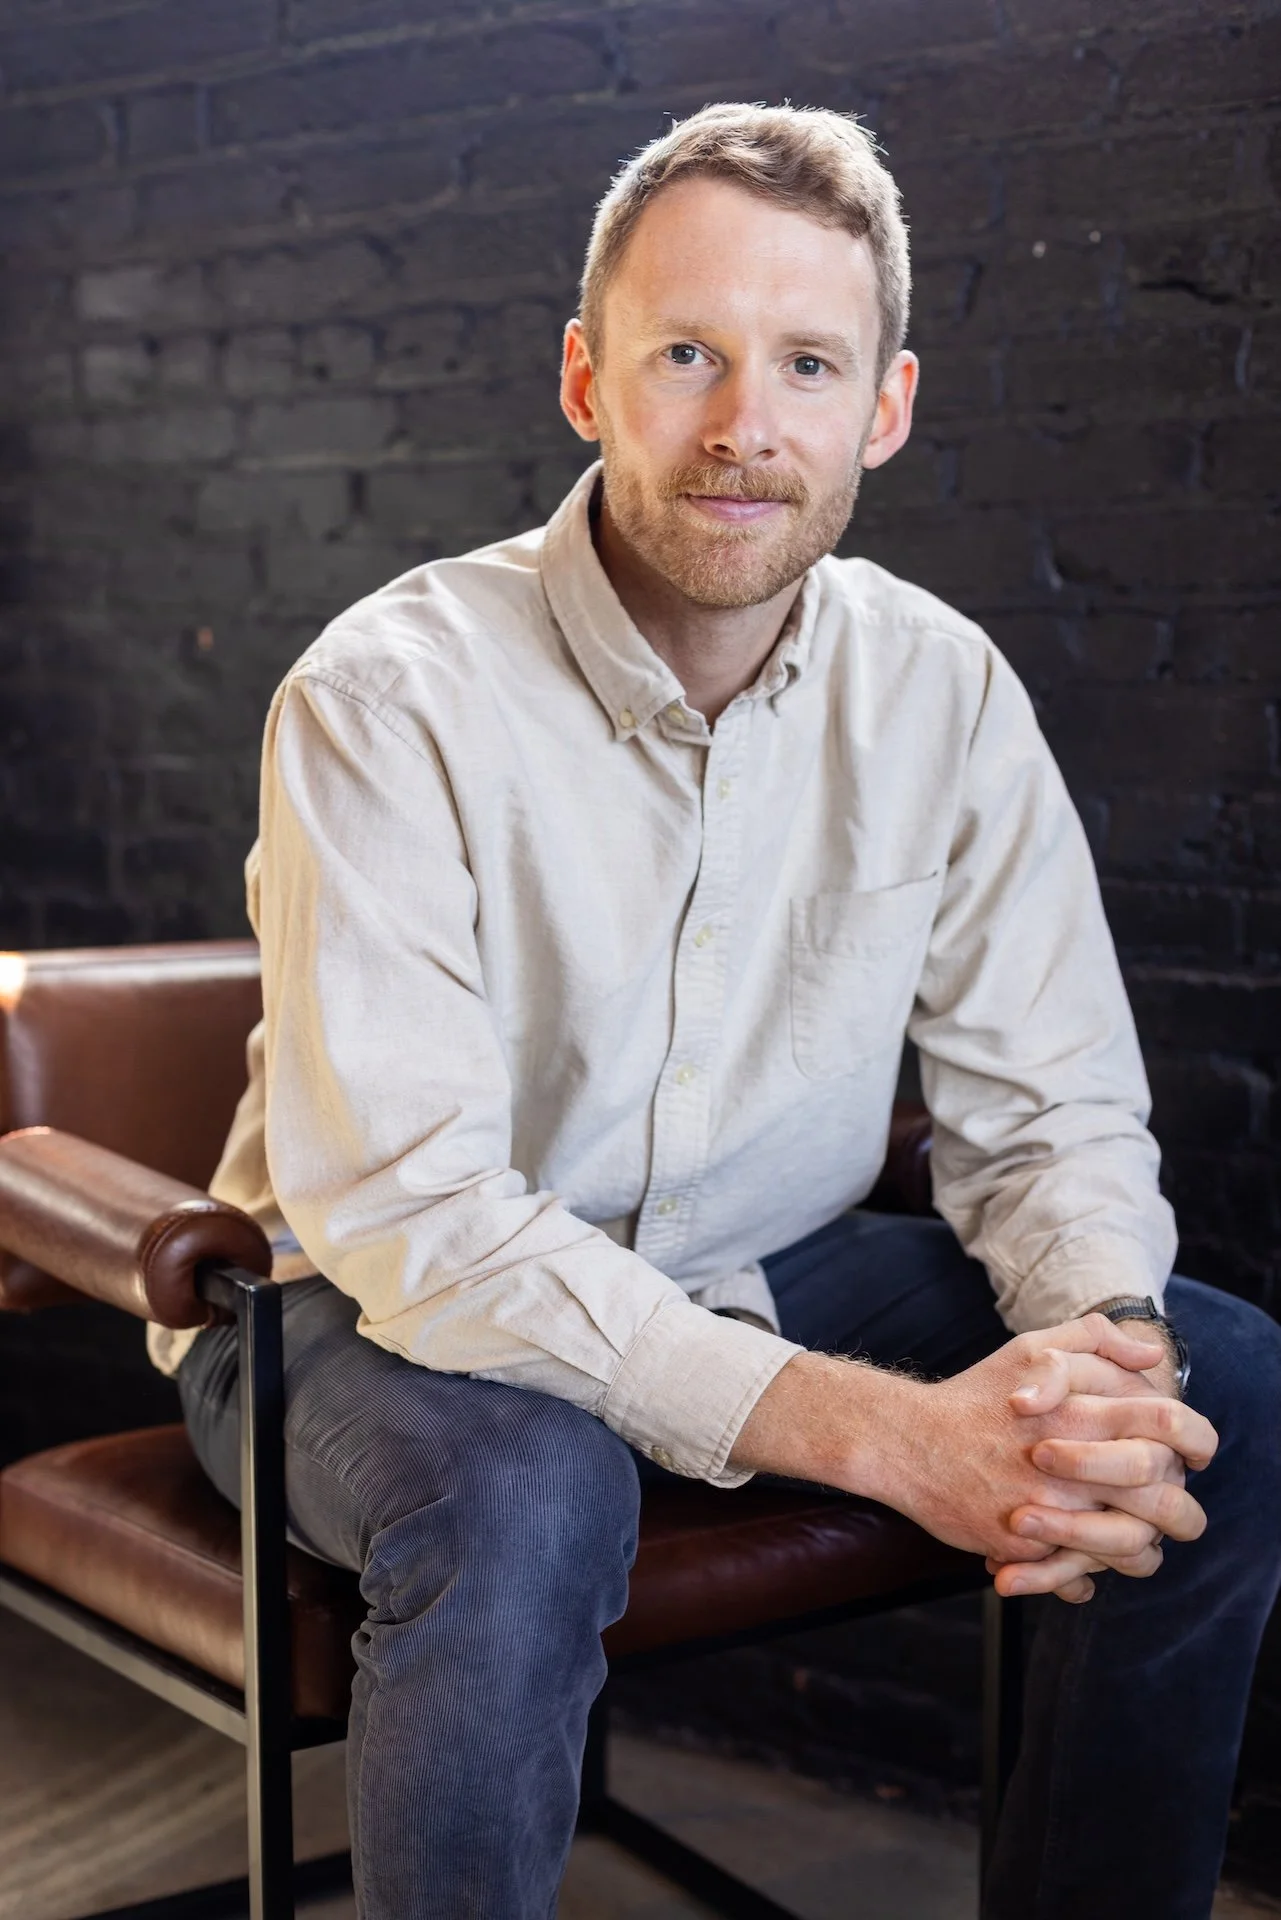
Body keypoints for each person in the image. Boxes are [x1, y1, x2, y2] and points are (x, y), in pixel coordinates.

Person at [154, 103, 1281, 1919]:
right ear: (590, 380)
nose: (747, 425)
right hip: (344, 1317)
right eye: (688, 354)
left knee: (1215, 1389)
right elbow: (424, 1222)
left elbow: (1053, 1110)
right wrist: (904, 1438)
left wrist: (1095, 1374)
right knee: (531, 1490)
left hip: (754, 1260)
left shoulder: (945, 693)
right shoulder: (385, 696)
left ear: (885, 409)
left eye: (807, 364)